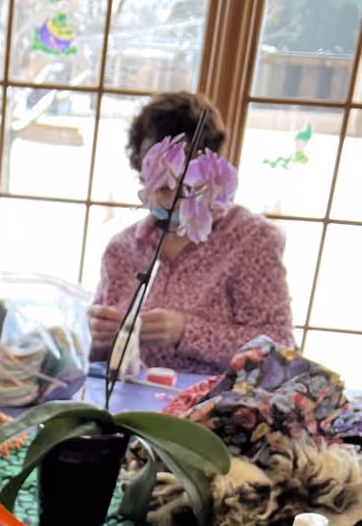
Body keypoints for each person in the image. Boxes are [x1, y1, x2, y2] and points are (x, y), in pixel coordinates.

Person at [89, 92, 293, 376]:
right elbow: (99, 363)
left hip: (214, 409)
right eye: (156, 164)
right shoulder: (123, 249)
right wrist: (98, 334)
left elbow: (280, 350)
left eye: (186, 164)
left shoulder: (251, 239)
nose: (171, 181)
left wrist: (185, 331)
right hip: (129, 401)